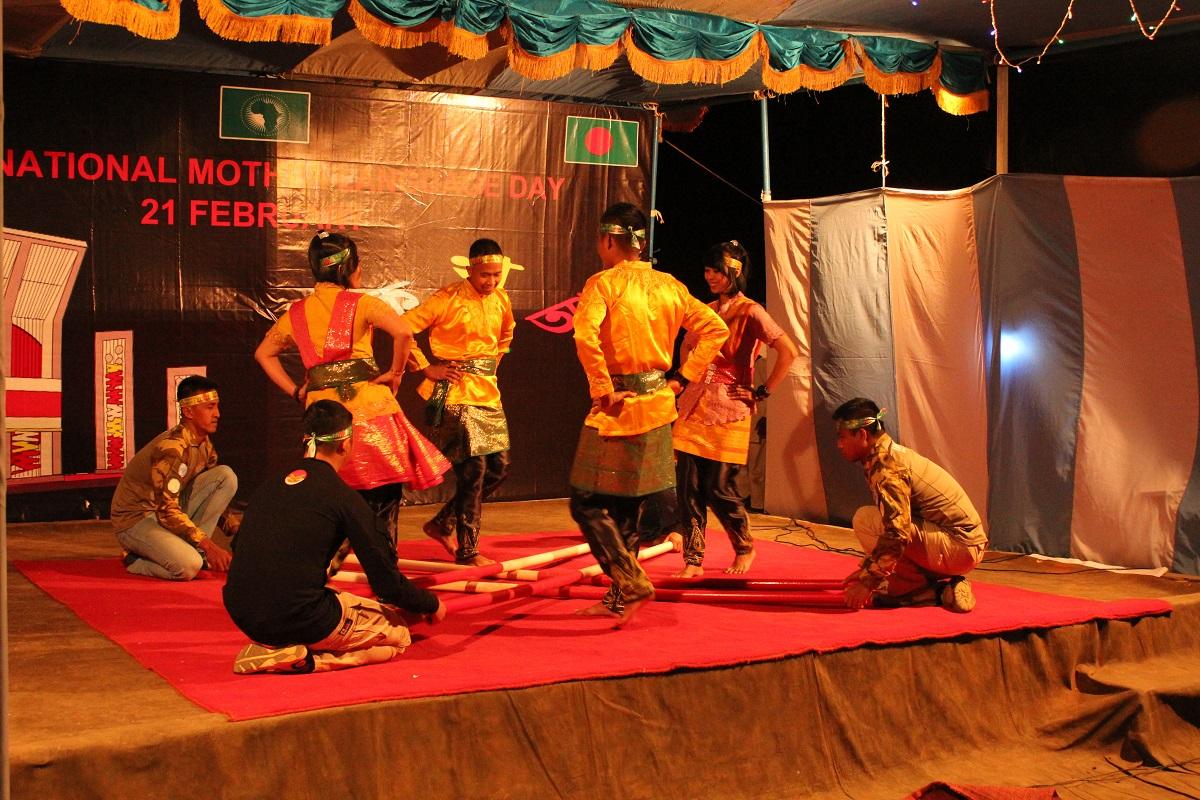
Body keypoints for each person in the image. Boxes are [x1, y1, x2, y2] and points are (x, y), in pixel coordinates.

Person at [569, 202, 729, 626]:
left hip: (620, 407)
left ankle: (629, 581)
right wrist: (682, 378)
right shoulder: (669, 285)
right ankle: (619, 596)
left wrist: (602, 389)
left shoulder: (603, 283)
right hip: (658, 405)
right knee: (626, 506)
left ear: (608, 240)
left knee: (586, 502)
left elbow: (584, 335)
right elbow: (716, 329)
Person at [223, 400, 446, 674]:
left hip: (243, 613)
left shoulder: (269, 486)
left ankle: (283, 647)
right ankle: (311, 661)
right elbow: (386, 583)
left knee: (323, 599)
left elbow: (241, 549)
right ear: (345, 445)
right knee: (399, 633)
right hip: (299, 617)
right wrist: (430, 603)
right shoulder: (342, 497)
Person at [254, 231, 450, 542]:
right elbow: (402, 333)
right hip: (370, 413)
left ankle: (328, 563)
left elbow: (263, 354)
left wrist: (295, 391)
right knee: (382, 499)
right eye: (358, 264)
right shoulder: (362, 303)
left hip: (323, 420)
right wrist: (396, 373)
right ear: (349, 268)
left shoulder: (296, 313)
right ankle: (382, 563)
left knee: (329, 500)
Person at [672, 241, 799, 577]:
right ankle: (693, 559)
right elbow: (687, 346)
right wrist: (687, 379)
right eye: (707, 270)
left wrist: (763, 390)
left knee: (717, 487)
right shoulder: (706, 309)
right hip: (695, 404)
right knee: (688, 486)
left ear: (735, 271)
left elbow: (788, 350)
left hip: (729, 406)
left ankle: (744, 546)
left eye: (716, 270)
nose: (709, 276)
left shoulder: (751, 311)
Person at [402, 238, 515, 566]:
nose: (491, 281)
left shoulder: (502, 299)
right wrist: (426, 367)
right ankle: (468, 551)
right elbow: (403, 328)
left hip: (488, 394)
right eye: (485, 275)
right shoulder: (447, 298)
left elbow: (506, 335)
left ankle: (443, 523)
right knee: (474, 470)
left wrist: (490, 366)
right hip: (454, 395)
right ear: (470, 270)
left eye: (496, 275)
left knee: (499, 469)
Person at [833, 397, 988, 612]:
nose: (839, 444)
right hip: (955, 544)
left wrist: (868, 581)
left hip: (961, 547)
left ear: (862, 435)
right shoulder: (884, 456)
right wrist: (867, 570)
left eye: (842, 437)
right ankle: (935, 589)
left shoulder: (888, 468)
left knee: (868, 521)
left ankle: (922, 590)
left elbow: (897, 533)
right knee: (871, 521)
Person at [110, 375, 236, 580]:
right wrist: (209, 546)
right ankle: (135, 560)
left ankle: (194, 551)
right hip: (136, 519)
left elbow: (210, 494)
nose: (217, 414)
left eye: (217, 406)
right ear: (188, 411)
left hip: (165, 511)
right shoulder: (172, 449)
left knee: (225, 476)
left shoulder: (204, 444)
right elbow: (166, 510)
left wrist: (236, 530)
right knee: (188, 567)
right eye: (210, 407)